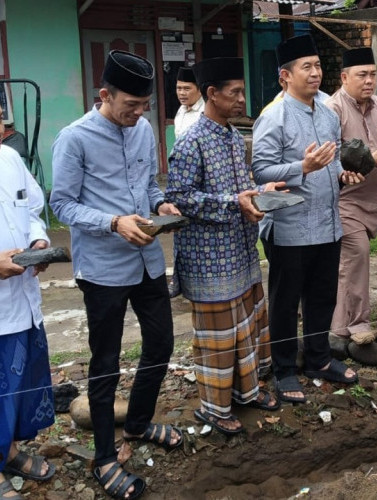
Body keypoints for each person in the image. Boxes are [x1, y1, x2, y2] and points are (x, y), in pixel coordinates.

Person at [50, 50, 183, 500]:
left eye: (145, 105)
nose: (139, 113)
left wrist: (159, 204)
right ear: (104, 95)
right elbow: (62, 204)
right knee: (105, 362)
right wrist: (112, 221)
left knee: (161, 343)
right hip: (104, 269)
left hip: (145, 260)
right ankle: (105, 455)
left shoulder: (142, 129)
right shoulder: (75, 138)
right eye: (131, 105)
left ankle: (140, 422)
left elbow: (146, 185)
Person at [167, 57, 282, 435]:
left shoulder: (234, 137)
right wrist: (234, 203)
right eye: (234, 93)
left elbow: (241, 189)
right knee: (219, 336)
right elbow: (180, 199)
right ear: (212, 94)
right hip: (208, 258)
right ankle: (213, 408)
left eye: (242, 91)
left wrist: (259, 195)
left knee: (246, 328)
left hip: (241, 249)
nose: (241, 99)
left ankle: (246, 392)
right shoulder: (190, 143)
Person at [253, 35, 362, 403]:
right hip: (289, 227)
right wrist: (303, 166)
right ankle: (284, 369)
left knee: (321, 297)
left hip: (328, 223)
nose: (316, 73)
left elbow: (331, 164)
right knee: (285, 303)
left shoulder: (328, 113)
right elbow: (260, 171)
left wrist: (342, 175)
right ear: (286, 75)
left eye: (318, 66)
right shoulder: (274, 116)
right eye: (307, 67)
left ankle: (318, 358)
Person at [326, 47, 377, 346]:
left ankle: (339, 327)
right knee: (356, 256)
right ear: (344, 77)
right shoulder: (333, 109)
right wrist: (372, 159)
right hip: (343, 199)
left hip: (374, 200)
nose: (369, 80)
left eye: (372, 74)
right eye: (362, 75)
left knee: (350, 263)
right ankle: (351, 325)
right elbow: (332, 155)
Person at [0, 107, 56, 499]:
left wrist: (39, 242)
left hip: (21, 302)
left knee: (18, 386)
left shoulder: (9, 159)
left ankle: (9, 451)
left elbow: (33, 209)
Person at [173, 66, 204, 139]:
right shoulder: (182, 109)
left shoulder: (206, 111)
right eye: (179, 88)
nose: (182, 93)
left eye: (187, 89)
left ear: (199, 90)